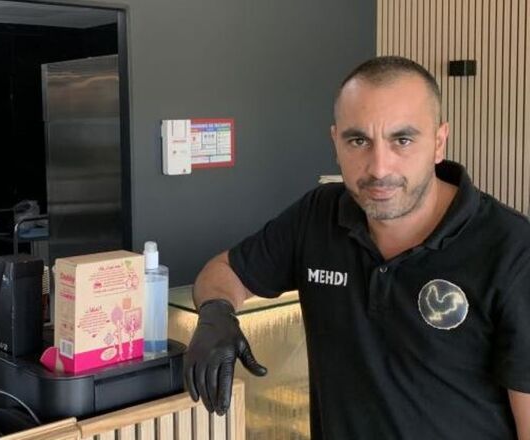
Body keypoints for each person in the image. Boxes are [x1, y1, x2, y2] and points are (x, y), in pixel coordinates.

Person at [184, 56, 530, 439]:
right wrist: (216, 312)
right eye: (358, 141)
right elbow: (225, 271)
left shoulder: (512, 249)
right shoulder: (318, 215)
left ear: (438, 142)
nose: (379, 168)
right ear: (336, 142)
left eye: (402, 140)